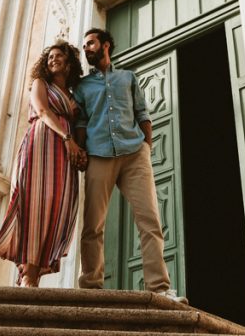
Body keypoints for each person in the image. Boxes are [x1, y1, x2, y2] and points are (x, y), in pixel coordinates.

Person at [74, 28, 182, 299]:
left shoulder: (128, 78)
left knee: (150, 220)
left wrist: (146, 147)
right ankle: (90, 289)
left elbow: (142, 113)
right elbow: (81, 122)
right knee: (92, 225)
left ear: (105, 45)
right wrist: (81, 150)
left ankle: (159, 289)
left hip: (134, 154)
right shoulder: (83, 87)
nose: (86, 49)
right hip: (99, 155)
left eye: (91, 44)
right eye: (84, 45)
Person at [0, 42, 87, 287]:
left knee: (57, 205)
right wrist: (68, 140)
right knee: (35, 204)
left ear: (69, 62)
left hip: (64, 154)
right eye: (50, 57)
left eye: (59, 56)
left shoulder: (74, 96)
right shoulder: (40, 84)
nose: (53, 60)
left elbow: (79, 125)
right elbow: (42, 111)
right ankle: (28, 273)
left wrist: (79, 149)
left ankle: (33, 273)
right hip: (42, 144)